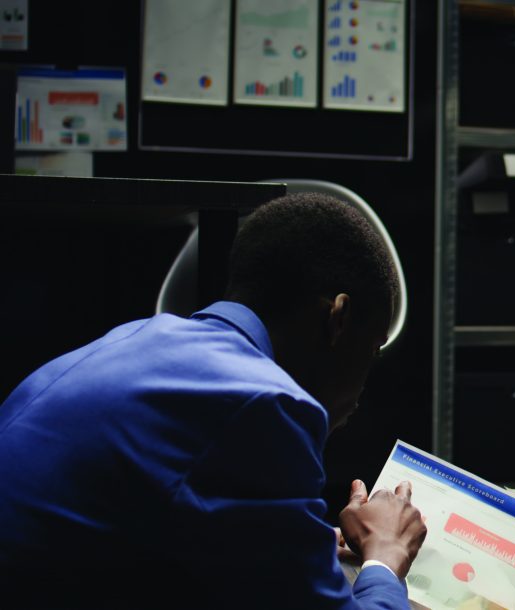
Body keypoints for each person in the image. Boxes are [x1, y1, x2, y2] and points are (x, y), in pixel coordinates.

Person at [0, 192, 427, 609]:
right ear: (339, 317)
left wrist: (295, 541)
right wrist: (385, 557)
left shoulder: (127, 341)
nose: (362, 391)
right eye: (371, 351)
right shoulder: (262, 404)